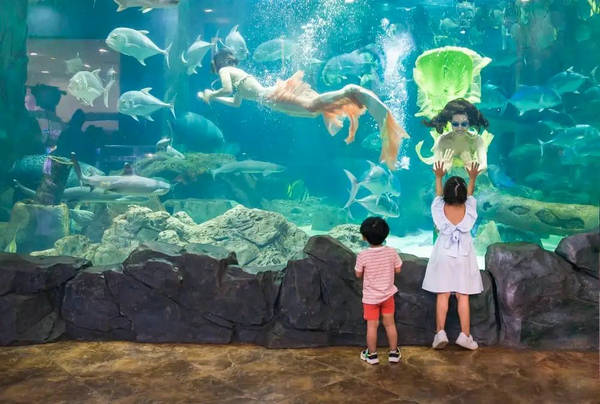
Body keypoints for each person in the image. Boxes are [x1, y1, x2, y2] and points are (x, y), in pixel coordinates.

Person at [198, 49, 409, 170]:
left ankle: (349, 90)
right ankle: (348, 96)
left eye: (213, 69)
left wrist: (211, 93)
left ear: (217, 64)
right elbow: (236, 102)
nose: (215, 73)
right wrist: (215, 100)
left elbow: (224, 88)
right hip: (270, 100)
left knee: (312, 105)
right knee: (313, 110)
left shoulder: (225, 69)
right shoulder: (237, 78)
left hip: (271, 96)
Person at [422, 159, 483, 350]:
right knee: (462, 296)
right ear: (464, 194)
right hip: (464, 255)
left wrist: (438, 177)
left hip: (443, 254)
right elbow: (470, 195)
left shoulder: (438, 207)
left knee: (443, 293)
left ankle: (440, 333)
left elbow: (439, 197)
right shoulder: (470, 207)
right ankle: (465, 335)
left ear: (446, 194)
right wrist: (472, 178)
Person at [355, 217, 403, 365]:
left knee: (372, 326)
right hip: (388, 296)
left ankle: (372, 355)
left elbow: (358, 274)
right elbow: (398, 269)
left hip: (370, 299)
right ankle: (394, 353)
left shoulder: (363, 255)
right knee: (390, 324)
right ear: (386, 234)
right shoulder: (392, 252)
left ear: (364, 237)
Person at [420, 98, 490, 172]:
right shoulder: (442, 141)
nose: (460, 128)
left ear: (469, 123)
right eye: (455, 124)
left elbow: (484, 165)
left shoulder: (476, 140)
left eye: (464, 124)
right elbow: (436, 168)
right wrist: (444, 169)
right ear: (451, 123)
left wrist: (473, 172)